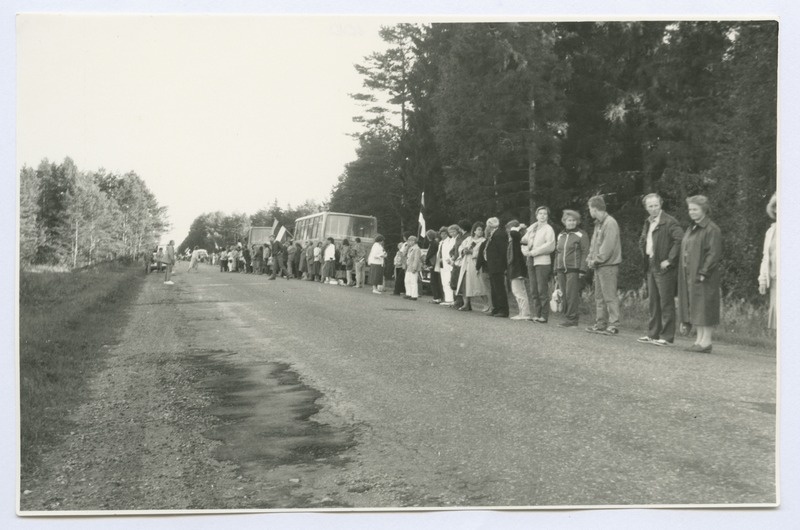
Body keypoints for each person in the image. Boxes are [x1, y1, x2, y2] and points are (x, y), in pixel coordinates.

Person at [637, 193, 683, 346]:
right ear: (646, 208)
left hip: (664, 267)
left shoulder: (670, 222)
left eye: (656, 205)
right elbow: (645, 241)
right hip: (651, 263)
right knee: (653, 302)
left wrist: (670, 259)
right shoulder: (648, 222)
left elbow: (680, 240)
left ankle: (667, 337)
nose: (654, 208)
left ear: (661, 204)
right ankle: (653, 334)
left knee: (666, 302)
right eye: (650, 206)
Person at [678, 195, 723, 353]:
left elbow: (713, 253)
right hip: (690, 273)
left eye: (695, 209)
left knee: (705, 307)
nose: (692, 212)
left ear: (704, 210)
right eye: (690, 209)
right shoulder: (692, 227)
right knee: (696, 306)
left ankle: (706, 341)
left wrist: (704, 271)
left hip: (704, 274)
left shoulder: (712, 229)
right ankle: (699, 340)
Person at [586, 195, 623, 335]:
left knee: (609, 296)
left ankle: (614, 325)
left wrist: (596, 260)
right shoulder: (598, 224)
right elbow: (594, 243)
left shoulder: (610, 223)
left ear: (594, 209)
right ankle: (600, 323)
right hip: (599, 266)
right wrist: (590, 257)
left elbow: (608, 247)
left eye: (590, 208)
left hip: (608, 266)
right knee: (599, 296)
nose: (589, 211)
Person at [554, 210, 590, 327]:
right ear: (564, 221)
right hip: (561, 269)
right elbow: (557, 253)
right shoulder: (561, 235)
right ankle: (568, 317)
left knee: (571, 294)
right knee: (564, 294)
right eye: (569, 220)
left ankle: (572, 319)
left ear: (577, 221)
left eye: (574, 220)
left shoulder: (581, 234)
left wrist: (582, 269)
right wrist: (555, 269)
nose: (572, 223)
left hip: (574, 269)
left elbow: (585, 252)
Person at [522, 206, 556, 323]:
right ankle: (537, 314)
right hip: (530, 260)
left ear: (547, 216)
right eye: (540, 213)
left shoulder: (548, 229)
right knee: (533, 289)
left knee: (542, 289)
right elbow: (523, 241)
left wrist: (534, 252)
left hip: (542, 261)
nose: (542, 216)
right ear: (536, 215)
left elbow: (550, 245)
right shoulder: (532, 228)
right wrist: (525, 251)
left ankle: (544, 316)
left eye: (545, 214)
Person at [456, 221, 488, 311]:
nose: (480, 232)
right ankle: (466, 304)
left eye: (482, 230)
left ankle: (487, 304)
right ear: (474, 230)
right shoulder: (468, 239)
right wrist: (463, 251)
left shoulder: (483, 241)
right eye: (478, 229)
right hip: (466, 264)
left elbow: (483, 252)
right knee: (465, 285)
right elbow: (460, 247)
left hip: (475, 265)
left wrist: (472, 252)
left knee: (480, 286)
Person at [759, 193, 777, 330]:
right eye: (776, 206)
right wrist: (763, 280)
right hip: (775, 282)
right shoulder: (771, 231)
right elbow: (766, 258)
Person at [485, 217, 509, 317]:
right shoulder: (494, 234)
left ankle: (503, 310)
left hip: (497, 264)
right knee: (494, 288)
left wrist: (502, 265)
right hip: (492, 264)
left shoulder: (499, 234)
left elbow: (502, 251)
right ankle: (496, 308)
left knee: (499, 287)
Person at [506, 220, 530, 320]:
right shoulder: (516, 240)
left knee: (519, 292)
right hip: (516, 269)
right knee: (519, 292)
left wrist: (518, 226)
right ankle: (522, 312)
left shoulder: (517, 238)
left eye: (508, 228)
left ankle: (524, 314)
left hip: (518, 269)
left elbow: (513, 232)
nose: (508, 231)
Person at [439, 225, 458, 306]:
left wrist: (450, 259)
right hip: (443, 264)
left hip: (449, 263)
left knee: (448, 282)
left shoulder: (451, 240)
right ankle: (448, 299)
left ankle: (450, 299)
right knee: (444, 282)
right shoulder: (444, 241)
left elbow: (451, 251)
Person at [424, 229, 443, 303]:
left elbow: (430, 254)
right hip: (435, 263)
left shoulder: (433, 243)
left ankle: (436, 297)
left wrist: (426, 261)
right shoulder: (436, 243)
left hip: (433, 263)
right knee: (436, 281)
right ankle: (438, 297)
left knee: (433, 281)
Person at [404, 235, 422, 300]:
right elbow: (404, 254)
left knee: (413, 281)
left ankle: (414, 295)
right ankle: (409, 293)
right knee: (407, 281)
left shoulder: (416, 248)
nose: (409, 242)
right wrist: (407, 247)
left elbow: (416, 259)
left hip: (413, 267)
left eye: (410, 241)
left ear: (414, 241)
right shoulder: (410, 248)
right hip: (409, 266)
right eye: (409, 241)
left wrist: (414, 268)